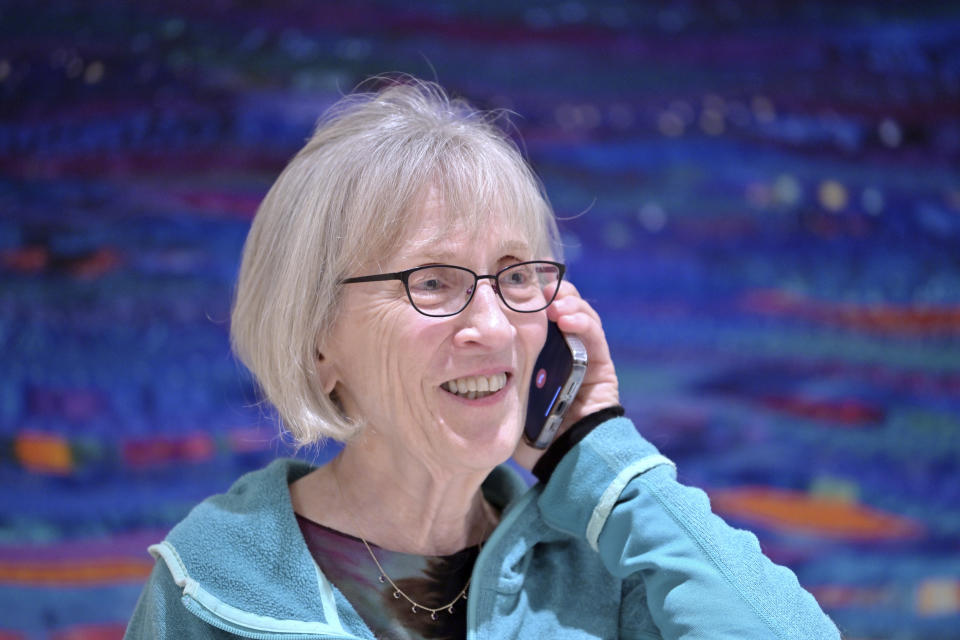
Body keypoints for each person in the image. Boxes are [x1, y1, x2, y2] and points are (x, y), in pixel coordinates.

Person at [125, 78, 840, 639]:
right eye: (433, 281)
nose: (495, 327)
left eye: (517, 275)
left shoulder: (607, 564)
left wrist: (603, 459)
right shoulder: (211, 584)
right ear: (318, 339)